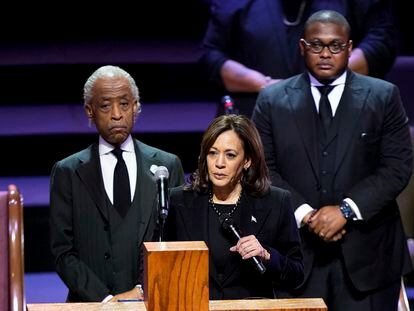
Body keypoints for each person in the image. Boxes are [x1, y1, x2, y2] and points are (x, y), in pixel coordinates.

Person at [251, 10, 412, 310]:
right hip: (297, 257)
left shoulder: (383, 96)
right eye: (316, 45)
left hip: (370, 259)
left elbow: (397, 166)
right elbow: (263, 168)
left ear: (349, 48)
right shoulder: (271, 101)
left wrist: (346, 211)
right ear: (302, 47)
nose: (326, 54)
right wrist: (306, 215)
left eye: (335, 46)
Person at [49, 65, 185, 302]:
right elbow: (62, 252)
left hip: (152, 302)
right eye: (105, 105)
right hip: (90, 305)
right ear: (89, 111)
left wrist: (142, 292)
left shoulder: (167, 166)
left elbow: (177, 243)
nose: (116, 114)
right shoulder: (68, 172)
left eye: (124, 104)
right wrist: (106, 300)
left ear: (136, 107)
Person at [166, 114, 304, 299]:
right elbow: (161, 265)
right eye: (212, 153)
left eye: (230, 155)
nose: (219, 163)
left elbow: (296, 275)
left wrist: (266, 255)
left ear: (247, 161)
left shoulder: (276, 202)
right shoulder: (180, 201)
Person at [200, 0, 398, 117]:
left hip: (340, 113)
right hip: (257, 112)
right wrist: (264, 85)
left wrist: (316, 81)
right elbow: (211, 55)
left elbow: (381, 41)